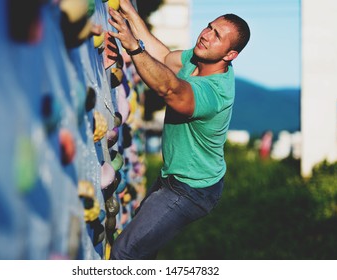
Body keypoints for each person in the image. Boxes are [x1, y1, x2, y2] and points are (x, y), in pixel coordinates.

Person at [107, 0, 250, 260]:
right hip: (172, 177)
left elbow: (170, 90)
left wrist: (133, 48)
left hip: (191, 190)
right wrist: (130, 12)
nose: (206, 35)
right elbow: (163, 57)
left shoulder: (215, 92)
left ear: (230, 55)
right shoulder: (197, 59)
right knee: (141, 250)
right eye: (209, 27)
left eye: (217, 35)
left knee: (124, 254)